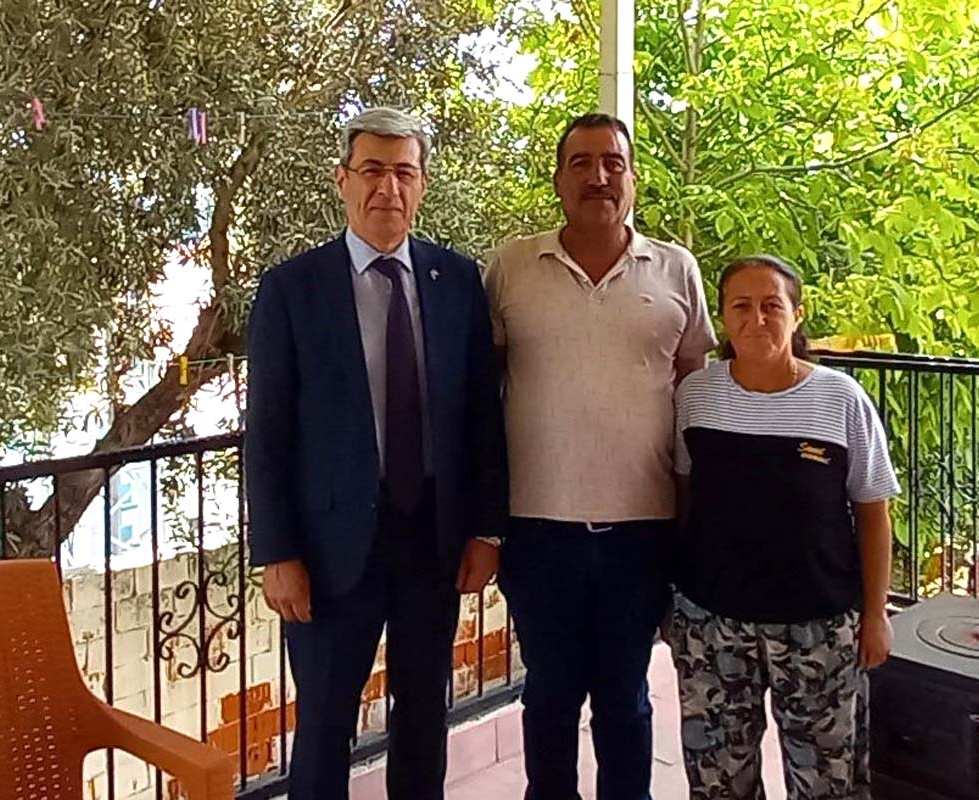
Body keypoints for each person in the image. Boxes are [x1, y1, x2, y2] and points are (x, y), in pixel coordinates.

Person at [244, 107, 507, 800]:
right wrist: (277, 552)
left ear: (422, 185)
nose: (387, 187)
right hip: (330, 549)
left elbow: (482, 414)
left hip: (432, 540)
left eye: (403, 172)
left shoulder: (457, 281)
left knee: (424, 716)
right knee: (325, 723)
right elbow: (267, 432)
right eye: (372, 170)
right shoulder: (292, 289)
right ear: (343, 180)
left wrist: (485, 531)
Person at [485, 112, 718, 799]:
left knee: (624, 698)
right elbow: (480, 392)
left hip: (642, 532)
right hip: (537, 530)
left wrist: (696, 522)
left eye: (614, 163)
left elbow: (696, 392)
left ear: (633, 179)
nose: (599, 176)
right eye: (582, 163)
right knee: (549, 696)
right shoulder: (511, 267)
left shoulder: (676, 268)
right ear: (559, 180)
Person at [668, 255, 899, 800]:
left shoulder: (840, 399)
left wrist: (875, 614)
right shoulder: (696, 396)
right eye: (741, 306)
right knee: (718, 780)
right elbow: (683, 494)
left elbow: (873, 511)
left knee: (827, 783)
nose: (757, 319)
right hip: (712, 625)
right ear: (723, 318)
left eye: (772, 305)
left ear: (798, 314)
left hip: (818, 627)